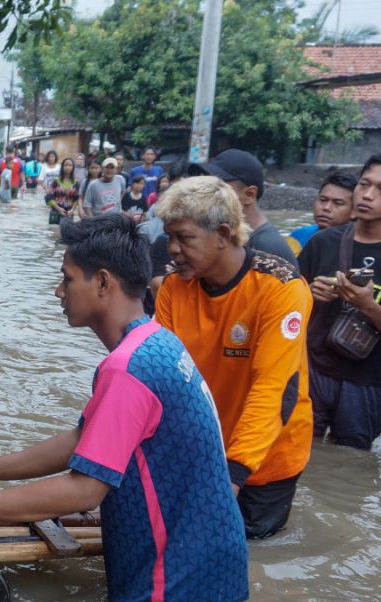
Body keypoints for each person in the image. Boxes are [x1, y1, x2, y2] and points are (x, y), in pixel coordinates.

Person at [0, 215, 248, 602]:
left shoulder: (128, 369)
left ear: (103, 282)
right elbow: (84, 442)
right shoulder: (157, 342)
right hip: (204, 567)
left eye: (67, 279)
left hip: (171, 590)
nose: (59, 292)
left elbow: (85, 490)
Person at [154, 177, 313, 539]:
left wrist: (233, 475)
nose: (173, 250)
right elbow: (164, 379)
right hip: (204, 451)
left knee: (251, 553)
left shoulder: (281, 289)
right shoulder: (174, 288)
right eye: (170, 237)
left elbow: (273, 390)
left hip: (266, 461)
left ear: (223, 234)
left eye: (184, 238)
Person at [298, 155, 381, 449]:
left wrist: (369, 306)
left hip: (368, 381)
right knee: (302, 449)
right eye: (365, 184)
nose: (368, 195)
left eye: (380, 190)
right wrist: (308, 294)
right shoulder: (323, 242)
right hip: (316, 369)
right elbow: (286, 307)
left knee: (350, 461)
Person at [189, 148, 298, 266]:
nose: (206, 193)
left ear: (249, 195)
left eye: (218, 188)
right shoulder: (228, 237)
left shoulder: (267, 245)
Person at [287, 171, 358, 257]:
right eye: (323, 200)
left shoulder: (360, 244)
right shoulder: (298, 236)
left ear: (354, 211)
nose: (326, 208)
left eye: (338, 203)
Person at [48, 158, 81, 224]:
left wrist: (72, 210)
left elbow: (77, 199)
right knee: (53, 232)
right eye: (66, 165)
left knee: (67, 233)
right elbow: (48, 196)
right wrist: (57, 208)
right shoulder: (56, 181)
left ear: (73, 167)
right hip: (55, 212)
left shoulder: (76, 182)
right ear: (62, 167)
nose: (68, 167)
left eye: (70, 165)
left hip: (69, 213)